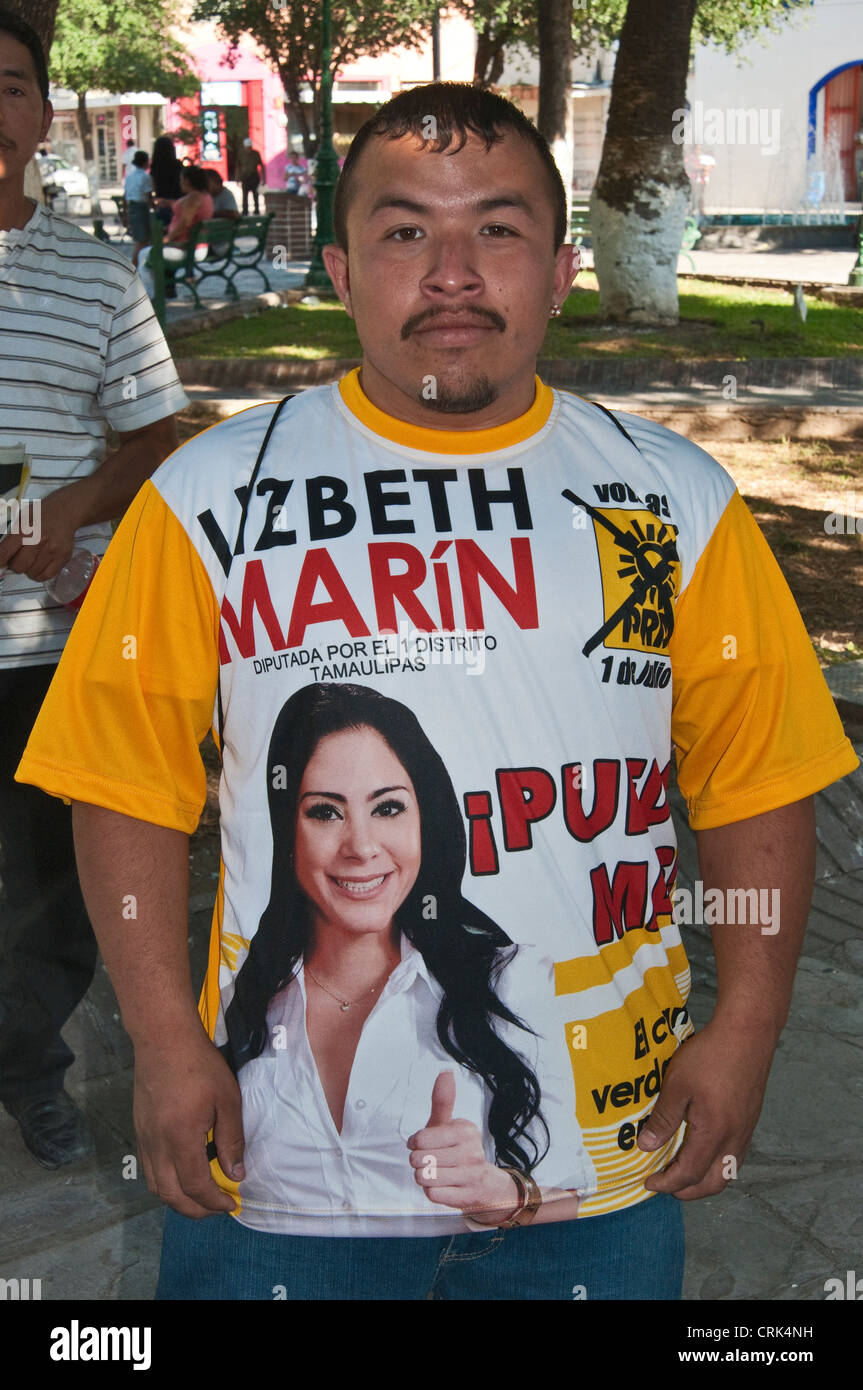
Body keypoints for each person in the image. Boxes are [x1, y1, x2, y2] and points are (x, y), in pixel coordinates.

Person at [18, 82, 857, 1300]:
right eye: (406, 230)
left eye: (498, 230)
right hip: (271, 1173)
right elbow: (121, 788)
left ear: (563, 267)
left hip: (596, 1157)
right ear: (341, 267)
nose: (452, 271)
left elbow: (759, 782)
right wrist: (160, 1042)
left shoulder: (672, 499)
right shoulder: (211, 495)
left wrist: (745, 1026)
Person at [202, 682, 581, 1259]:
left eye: (387, 807)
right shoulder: (246, 999)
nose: (360, 846)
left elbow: (570, 1198)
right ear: (288, 829)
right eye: (325, 812)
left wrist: (497, 1191)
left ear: (425, 818)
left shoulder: (510, 980)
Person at [0, 10, 188, 1169]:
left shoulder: (98, 274)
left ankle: (27, 1068)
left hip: (45, 641)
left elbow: (159, 437)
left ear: (41, 115)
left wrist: (73, 510)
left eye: (11, 84)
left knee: (48, 890)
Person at [123, 148, 153, 267]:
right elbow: (148, 195)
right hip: (142, 207)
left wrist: (125, 214)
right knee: (143, 239)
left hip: (131, 207)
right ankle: (134, 265)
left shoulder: (129, 177)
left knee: (140, 238)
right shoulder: (145, 177)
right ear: (145, 162)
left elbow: (124, 195)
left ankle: (139, 263)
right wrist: (153, 208)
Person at [150, 133, 182, 227]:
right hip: (177, 202)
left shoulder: (155, 167)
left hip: (161, 203)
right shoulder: (177, 166)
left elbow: (153, 186)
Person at [238, 136, 264, 215]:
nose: (248, 149)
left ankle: (257, 211)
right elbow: (238, 166)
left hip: (254, 176)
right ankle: (245, 211)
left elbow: (261, 166)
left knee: (255, 194)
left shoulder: (256, 154)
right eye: (247, 147)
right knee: (244, 195)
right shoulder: (241, 154)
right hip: (245, 176)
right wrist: (238, 179)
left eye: (249, 147)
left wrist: (263, 178)